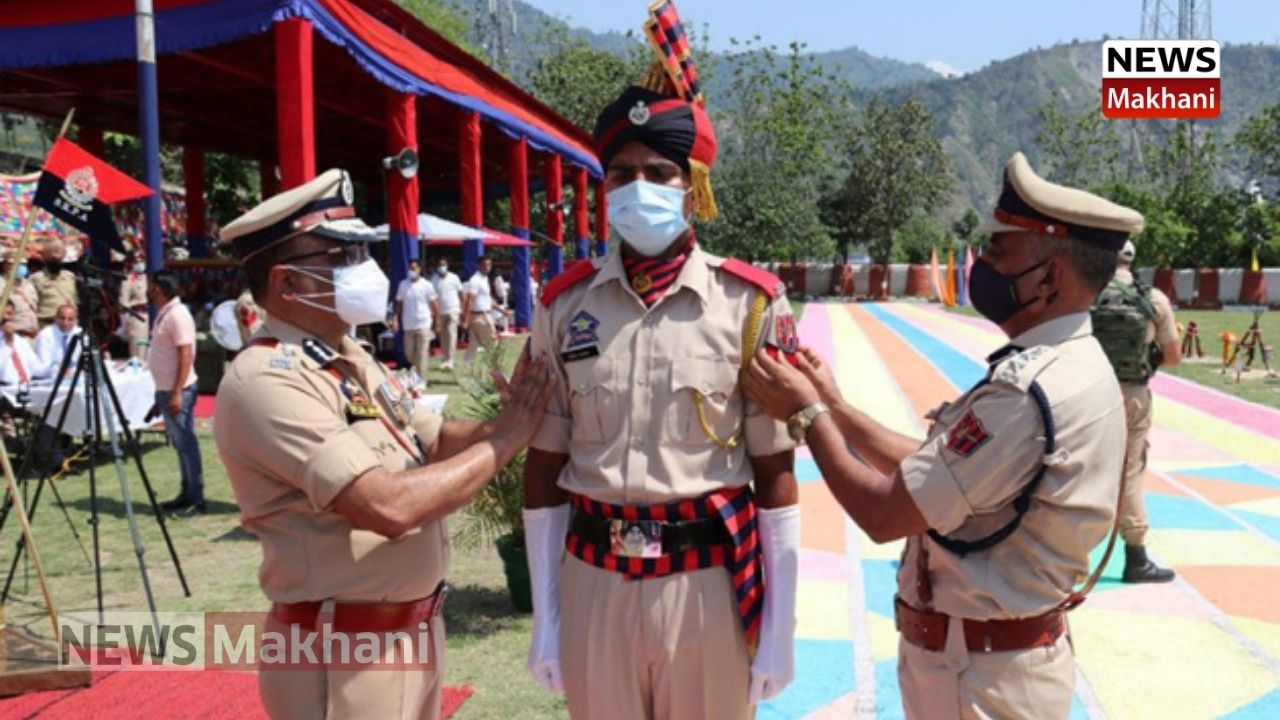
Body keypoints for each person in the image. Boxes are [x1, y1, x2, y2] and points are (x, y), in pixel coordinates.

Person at [742, 152, 1137, 720]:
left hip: (977, 677)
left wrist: (805, 416)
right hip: (995, 662)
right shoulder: (1074, 364)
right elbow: (942, 470)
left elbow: (885, 514)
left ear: (1049, 277)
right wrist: (834, 406)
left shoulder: (1026, 395)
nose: (983, 266)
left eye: (999, 253)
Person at [522, 28, 801, 719]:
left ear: (692, 187)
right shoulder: (564, 305)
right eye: (621, 174)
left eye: (659, 173)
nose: (637, 187)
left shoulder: (749, 303)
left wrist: (781, 628)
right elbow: (544, 464)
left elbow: (775, 470)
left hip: (706, 584)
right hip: (594, 580)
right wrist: (546, 613)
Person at [215, 168, 554, 720]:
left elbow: (437, 438)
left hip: (403, 633)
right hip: (341, 649)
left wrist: (511, 421)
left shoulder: (345, 354)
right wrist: (507, 442)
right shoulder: (267, 379)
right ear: (286, 284)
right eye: (339, 258)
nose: (362, 270)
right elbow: (387, 506)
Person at [1095, 239, 1181, 583]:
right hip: (1132, 394)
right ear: (1132, 261)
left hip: (1087, 391)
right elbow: (1173, 357)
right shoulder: (1154, 299)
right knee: (1128, 471)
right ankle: (1136, 558)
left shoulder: (1084, 292)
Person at [148, 270, 204, 515]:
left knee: (186, 442)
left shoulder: (178, 315)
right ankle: (187, 492)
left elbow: (185, 354)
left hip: (177, 389)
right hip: (167, 388)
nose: (148, 291)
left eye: (150, 286)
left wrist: (177, 393)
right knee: (180, 444)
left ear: (158, 289)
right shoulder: (166, 313)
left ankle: (195, 495)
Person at [393, 259, 439, 381]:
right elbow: (398, 303)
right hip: (408, 325)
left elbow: (434, 304)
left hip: (423, 323)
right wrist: (395, 319)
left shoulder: (427, 285)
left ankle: (422, 379)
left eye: (414, 268)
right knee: (409, 353)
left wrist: (437, 321)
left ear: (419, 269)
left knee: (422, 352)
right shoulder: (403, 285)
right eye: (410, 268)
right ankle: (416, 370)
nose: (411, 271)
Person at [29, 239, 78, 325]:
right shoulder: (36, 279)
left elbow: (75, 300)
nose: (56, 262)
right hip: (46, 324)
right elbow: (30, 306)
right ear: (45, 257)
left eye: (59, 259)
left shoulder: (70, 277)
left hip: (69, 325)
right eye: (53, 259)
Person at [461, 256, 497, 362]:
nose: (487, 267)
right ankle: (496, 372)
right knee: (492, 344)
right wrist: (465, 320)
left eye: (489, 265)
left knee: (473, 345)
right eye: (484, 265)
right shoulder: (475, 280)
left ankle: (466, 370)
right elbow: (470, 300)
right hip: (480, 316)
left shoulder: (484, 279)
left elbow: (487, 300)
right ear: (478, 265)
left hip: (483, 314)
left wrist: (501, 310)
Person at [431, 258, 463, 370]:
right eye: (440, 265)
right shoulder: (433, 279)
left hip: (453, 309)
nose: (442, 267)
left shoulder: (454, 277)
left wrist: (462, 308)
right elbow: (432, 297)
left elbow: (460, 293)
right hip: (440, 312)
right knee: (443, 336)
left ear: (447, 266)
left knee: (451, 333)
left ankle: (450, 359)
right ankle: (444, 359)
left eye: (443, 265)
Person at [34, 304, 81, 376]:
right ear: (55, 319)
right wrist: (58, 369)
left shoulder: (80, 334)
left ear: (76, 321)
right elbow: (41, 367)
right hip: (51, 379)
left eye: (70, 319)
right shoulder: (45, 335)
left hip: (76, 377)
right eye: (62, 318)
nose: (66, 323)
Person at [0, 250, 39, 337]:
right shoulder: (1, 284)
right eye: (17, 264)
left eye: (23, 264)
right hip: (11, 334)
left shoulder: (28, 285)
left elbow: (34, 308)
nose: (20, 267)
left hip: (31, 334)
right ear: (5, 265)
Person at [119, 252, 150, 360]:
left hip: (152, 316)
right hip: (137, 317)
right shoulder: (128, 279)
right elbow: (123, 304)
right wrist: (124, 325)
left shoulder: (148, 278)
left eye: (141, 260)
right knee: (139, 351)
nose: (139, 263)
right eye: (136, 261)